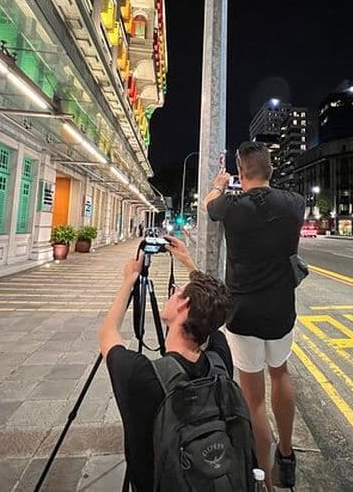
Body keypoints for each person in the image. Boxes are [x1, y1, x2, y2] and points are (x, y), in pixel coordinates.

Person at [203, 141, 305, 489]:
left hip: (243, 313)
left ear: (240, 172)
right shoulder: (295, 204)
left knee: (254, 399)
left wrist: (219, 183)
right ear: (271, 171)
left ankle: (263, 480)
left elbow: (209, 207)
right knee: (281, 374)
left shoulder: (230, 206)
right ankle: (287, 457)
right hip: (281, 310)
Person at [99, 236, 234, 492]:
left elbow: (107, 335)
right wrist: (187, 262)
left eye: (178, 291)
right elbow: (216, 307)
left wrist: (129, 280)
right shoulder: (221, 360)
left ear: (183, 304)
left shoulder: (141, 374)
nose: (173, 293)